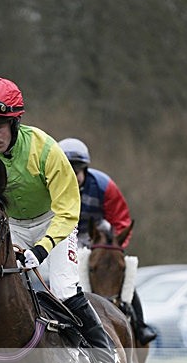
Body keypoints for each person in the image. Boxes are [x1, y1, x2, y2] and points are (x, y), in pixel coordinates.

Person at [0, 77, 129, 363]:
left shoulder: (46, 150)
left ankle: (107, 362)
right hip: (11, 227)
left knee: (65, 289)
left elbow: (69, 210)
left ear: (14, 122)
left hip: (55, 222)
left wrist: (41, 249)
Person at [59, 137, 157, 346]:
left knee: (123, 273)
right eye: (68, 173)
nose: (73, 178)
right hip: (63, 235)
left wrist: (115, 247)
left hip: (97, 236)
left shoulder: (103, 185)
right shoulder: (50, 187)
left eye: (76, 173)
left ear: (84, 169)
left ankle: (140, 325)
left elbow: (121, 219)